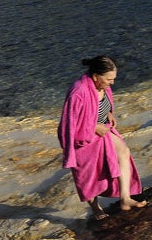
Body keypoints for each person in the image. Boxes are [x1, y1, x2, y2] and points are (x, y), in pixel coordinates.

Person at [57, 55, 146, 220]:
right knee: (89, 176)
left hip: (103, 131)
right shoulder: (79, 91)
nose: (112, 83)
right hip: (83, 139)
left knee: (123, 152)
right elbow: (68, 123)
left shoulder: (102, 85)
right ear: (96, 76)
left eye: (113, 79)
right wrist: (93, 127)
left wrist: (108, 113)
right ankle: (96, 208)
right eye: (109, 79)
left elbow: (100, 105)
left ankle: (125, 199)